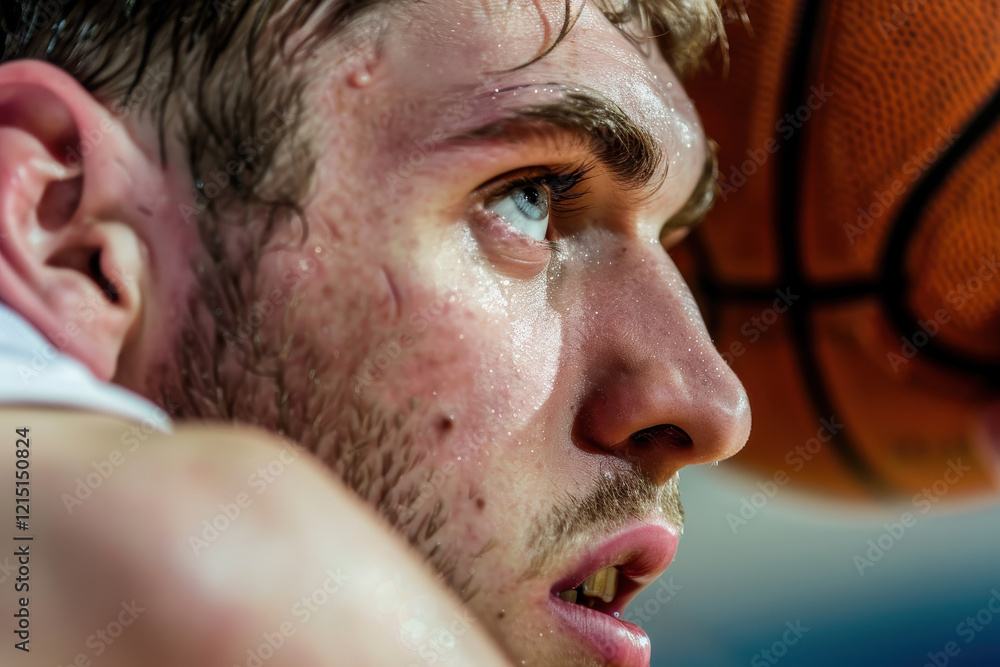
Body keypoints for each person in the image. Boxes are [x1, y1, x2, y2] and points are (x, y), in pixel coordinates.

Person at [0, 0, 751, 665]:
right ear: (59, 222)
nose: (717, 405)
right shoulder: (228, 574)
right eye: (531, 200)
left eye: (674, 245)